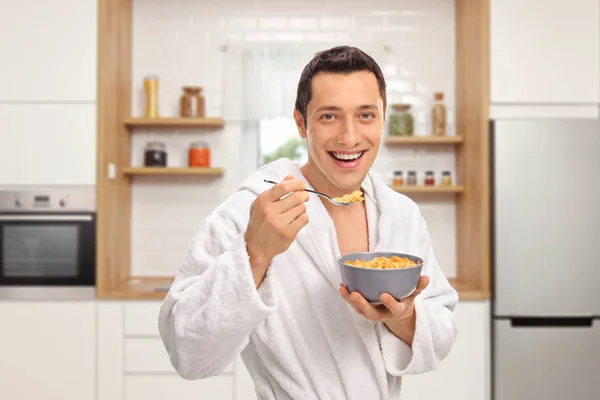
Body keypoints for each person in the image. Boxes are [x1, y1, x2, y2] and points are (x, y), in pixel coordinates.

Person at [158, 45, 459, 400]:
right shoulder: (251, 211)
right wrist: (254, 253)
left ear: (383, 118)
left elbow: (441, 333)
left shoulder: (401, 214)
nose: (349, 137)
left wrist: (403, 318)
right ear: (301, 123)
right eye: (329, 116)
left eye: (366, 115)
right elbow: (188, 353)